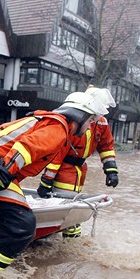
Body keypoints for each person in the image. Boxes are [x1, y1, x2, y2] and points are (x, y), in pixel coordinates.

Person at [0, 92, 109, 272]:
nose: (89, 127)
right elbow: (23, 150)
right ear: (79, 116)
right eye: (90, 121)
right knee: (21, 225)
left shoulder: (52, 124)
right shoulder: (57, 128)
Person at [38, 86, 119, 238]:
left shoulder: (101, 123)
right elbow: (58, 153)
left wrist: (111, 170)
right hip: (65, 170)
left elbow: (106, 146)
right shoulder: (75, 122)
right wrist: (47, 180)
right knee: (66, 207)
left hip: (80, 170)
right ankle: (64, 239)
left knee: (71, 206)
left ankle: (67, 240)